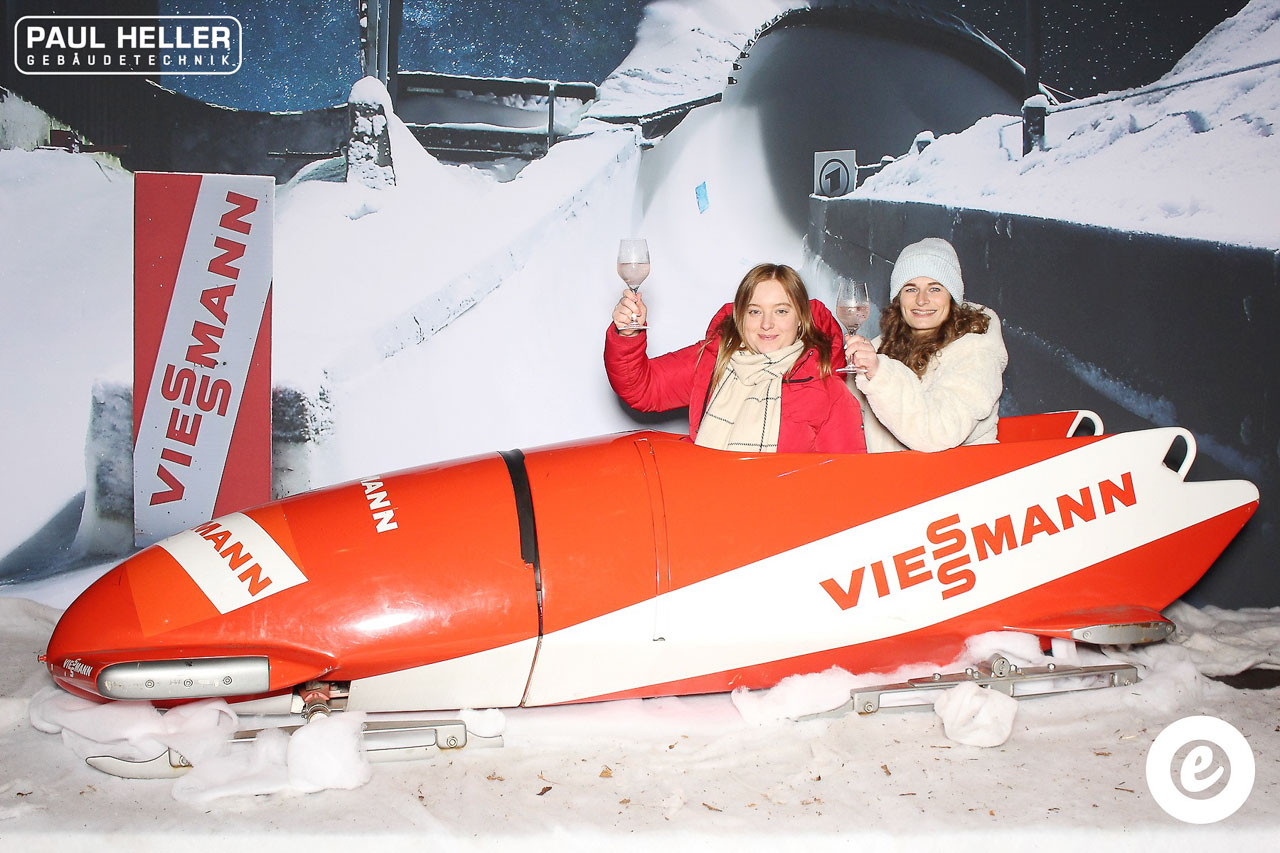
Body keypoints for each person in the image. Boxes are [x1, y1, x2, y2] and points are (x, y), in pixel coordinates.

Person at [605, 263, 867, 454]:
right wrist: (628, 335)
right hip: (705, 504)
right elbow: (641, 388)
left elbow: (843, 483)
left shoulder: (829, 391)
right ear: (741, 315)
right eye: (755, 311)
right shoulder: (714, 359)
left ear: (800, 319)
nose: (767, 324)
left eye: (781, 311)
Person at [844, 237, 1007, 452]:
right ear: (898, 298)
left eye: (935, 289)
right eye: (911, 289)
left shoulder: (977, 352)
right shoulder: (880, 348)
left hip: (962, 473)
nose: (922, 300)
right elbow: (847, 422)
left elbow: (939, 432)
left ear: (952, 297)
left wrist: (880, 374)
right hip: (890, 473)